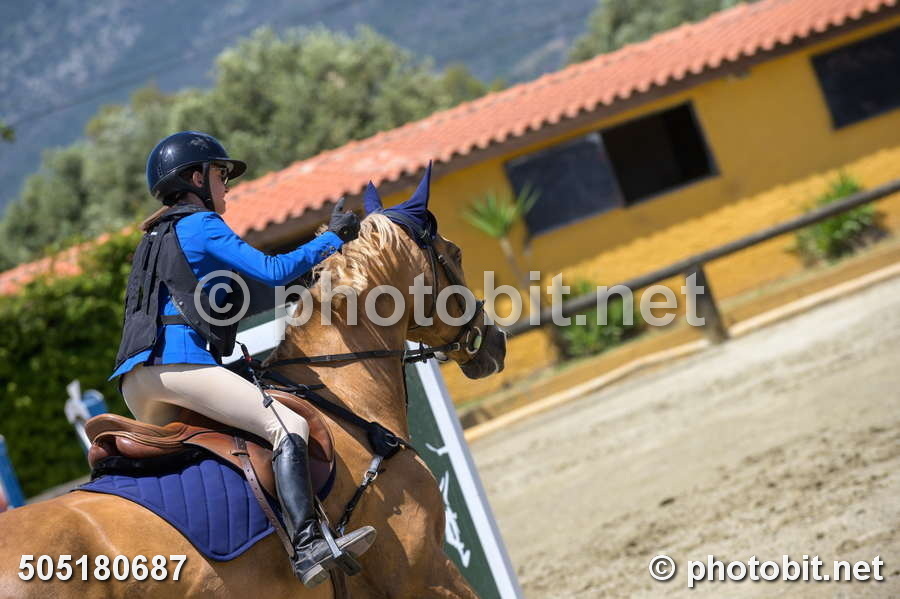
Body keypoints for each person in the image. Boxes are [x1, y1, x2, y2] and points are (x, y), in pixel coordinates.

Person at [109, 131, 373, 587]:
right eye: (220, 174)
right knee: (287, 426)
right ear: (195, 179)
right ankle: (308, 544)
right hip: (179, 368)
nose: (226, 185)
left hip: (136, 383)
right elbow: (273, 272)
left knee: (222, 452)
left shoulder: (153, 237)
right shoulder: (201, 224)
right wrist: (333, 238)